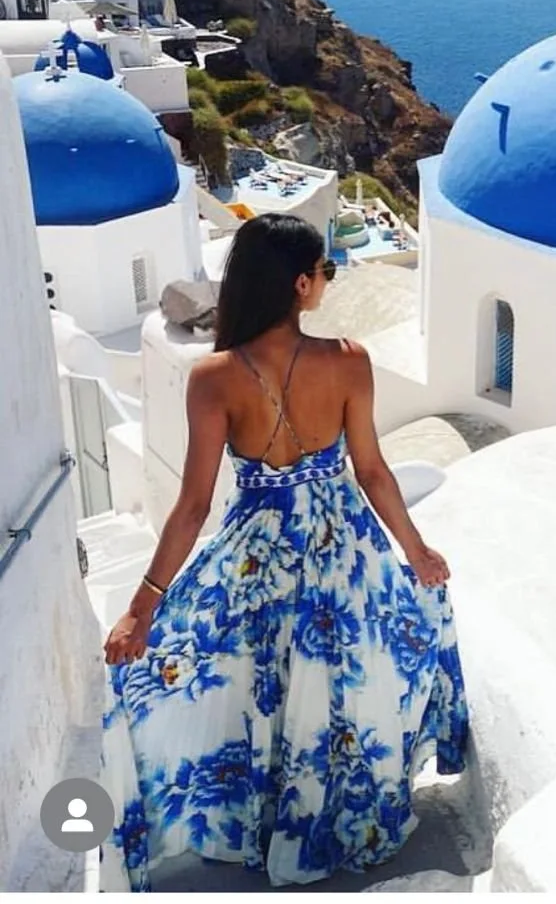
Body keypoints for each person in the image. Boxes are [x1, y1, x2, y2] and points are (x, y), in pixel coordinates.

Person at [99, 214, 469, 890]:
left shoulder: (213, 376)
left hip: (259, 556)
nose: (328, 280)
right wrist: (415, 551)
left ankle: (273, 825)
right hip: (344, 548)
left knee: (264, 682)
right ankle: (337, 821)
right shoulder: (349, 360)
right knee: (339, 681)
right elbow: (372, 472)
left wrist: (142, 609)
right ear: (300, 284)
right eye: (325, 270)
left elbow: (192, 505)